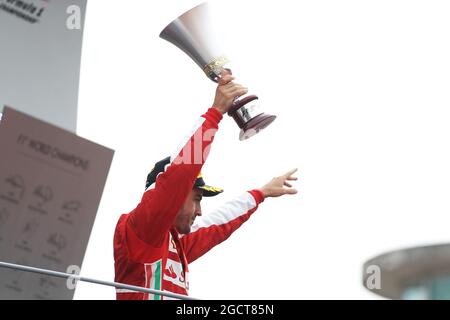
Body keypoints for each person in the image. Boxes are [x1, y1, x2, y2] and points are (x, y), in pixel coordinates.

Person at [113, 72, 298, 300]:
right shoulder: (142, 227)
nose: (200, 211)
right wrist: (215, 113)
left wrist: (261, 193)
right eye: (197, 198)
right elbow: (180, 173)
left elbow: (218, 223)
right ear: (174, 196)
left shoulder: (177, 242)